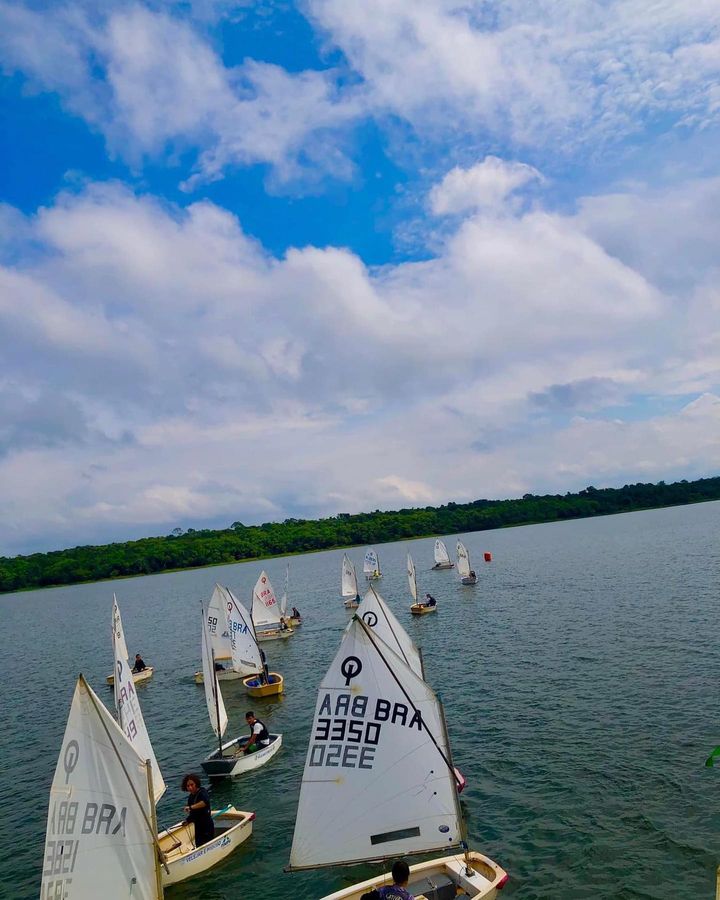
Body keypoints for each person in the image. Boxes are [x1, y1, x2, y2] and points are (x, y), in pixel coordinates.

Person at [181, 774, 214, 847]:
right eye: (188, 786)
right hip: (198, 826)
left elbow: (204, 802)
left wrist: (191, 807)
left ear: (196, 783)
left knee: (208, 843)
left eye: (192, 785)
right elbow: (193, 814)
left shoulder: (202, 791)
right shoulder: (190, 798)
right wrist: (188, 821)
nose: (190, 787)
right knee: (199, 845)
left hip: (206, 824)